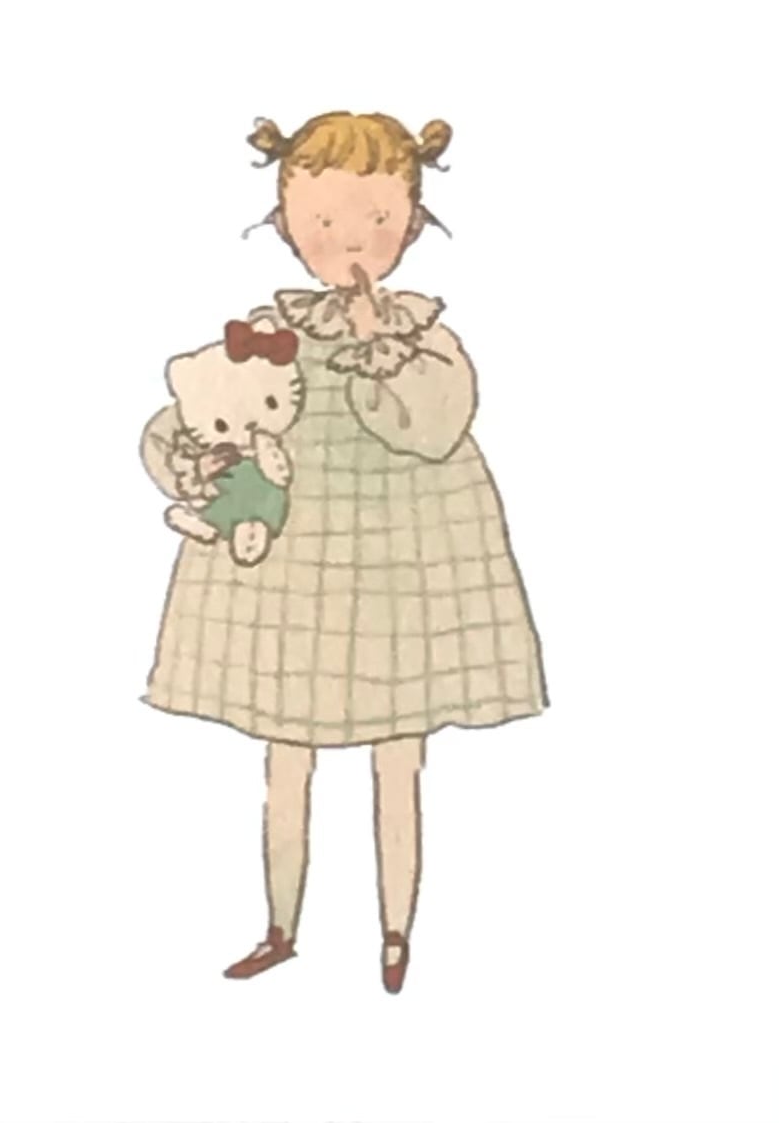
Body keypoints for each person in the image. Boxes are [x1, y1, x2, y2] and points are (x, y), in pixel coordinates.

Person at [141, 110, 544, 994]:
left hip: (404, 562)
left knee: (399, 757)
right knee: (286, 755)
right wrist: (193, 460)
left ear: (411, 219)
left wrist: (376, 343)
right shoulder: (265, 331)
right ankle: (281, 925)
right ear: (287, 219)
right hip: (291, 570)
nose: (350, 240)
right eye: (322, 219)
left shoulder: (423, 337)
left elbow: (432, 429)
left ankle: (396, 934)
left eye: (377, 218)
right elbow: (189, 416)